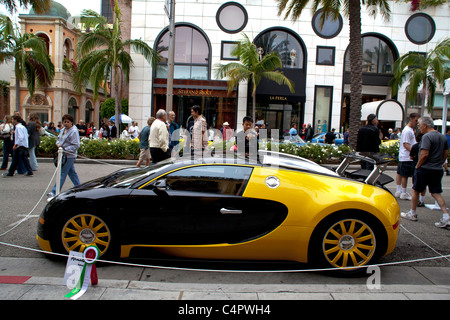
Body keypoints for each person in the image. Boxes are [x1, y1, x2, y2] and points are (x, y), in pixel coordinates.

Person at [401, 117, 449, 228]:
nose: (419, 127)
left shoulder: (427, 137)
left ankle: (412, 213)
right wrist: (440, 162)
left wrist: (418, 166)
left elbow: (424, 154)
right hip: (437, 169)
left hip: (425, 168)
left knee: (416, 191)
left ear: (425, 125)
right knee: (436, 192)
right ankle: (446, 215)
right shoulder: (442, 137)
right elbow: (446, 153)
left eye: (419, 125)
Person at [47, 114, 81, 198]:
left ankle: (54, 191)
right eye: (64, 122)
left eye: (67, 122)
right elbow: (59, 139)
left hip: (69, 155)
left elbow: (76, 145)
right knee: (72, 173)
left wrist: (64, 148)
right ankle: (79, 187)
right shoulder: (63, 130)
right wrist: (58, 144)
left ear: (71, 122)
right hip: (62, 154)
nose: (66, 123)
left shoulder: (74, 131)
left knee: (62, 173)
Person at [394, 112, 420, 200]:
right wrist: (413, 152)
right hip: (407, 156)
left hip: (403, 156)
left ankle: (399, 190)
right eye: (416, 120)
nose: (417, 122)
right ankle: (403, 192)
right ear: (411, 119)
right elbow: (406, 144)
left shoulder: (408, 130)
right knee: (404, 175)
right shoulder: (408, 130)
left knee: (400, 173)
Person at [409, 131, 426, 207]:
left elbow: (411, 156)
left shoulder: (415, 146)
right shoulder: (426, 147)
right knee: (423, 184)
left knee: (415, 185)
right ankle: (422, 200)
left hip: (416, 165)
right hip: (424, 166)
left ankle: (416, 201)